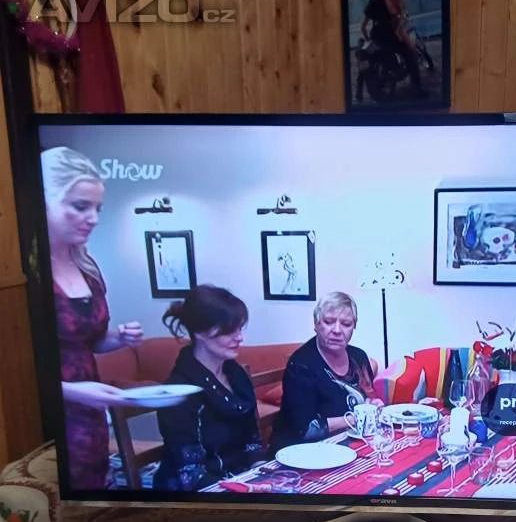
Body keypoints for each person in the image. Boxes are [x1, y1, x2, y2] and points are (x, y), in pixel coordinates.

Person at [41, 146, 144, 491]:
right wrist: (70, 392)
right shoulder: (23, 276)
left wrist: (120, 337)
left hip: (90, 415)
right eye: (80, 206)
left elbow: (91, 343)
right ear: (43, 201)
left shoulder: (86, 267)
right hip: (46, 419)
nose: (93, 218)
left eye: (97, 208)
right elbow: (14, 376)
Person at [153, 285, 269, 491]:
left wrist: (262, 474)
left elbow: (252, 441)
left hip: (241, 478)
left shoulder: (236, 375)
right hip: (199, 491)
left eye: (240, 328)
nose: (239, 337)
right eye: (228, 331)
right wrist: (245, 489)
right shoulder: (179, 392)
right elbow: (191, 474)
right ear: (200, 332)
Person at [270, 292, 381, 450]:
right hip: (301, 449)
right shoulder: (301, 364)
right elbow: (306, 430)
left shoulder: (359, 357)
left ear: (354, 327)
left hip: (349, 441)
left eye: (346, 324)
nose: (337, 330)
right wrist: (355, 418)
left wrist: (374, 404)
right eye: (329, 322)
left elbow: (368, 396)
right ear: (316, 324)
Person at [360, 0, 424, 98]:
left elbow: (363, 26)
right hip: (389, 34)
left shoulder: (371, 2)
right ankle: (417, 88)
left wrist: (368, 39)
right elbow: (394, 12)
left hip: (376, 35)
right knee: (410, 54)